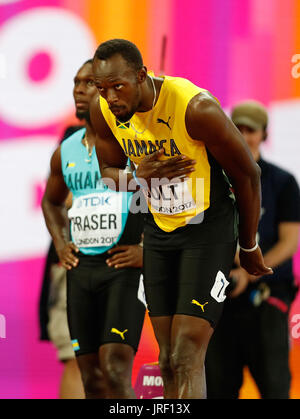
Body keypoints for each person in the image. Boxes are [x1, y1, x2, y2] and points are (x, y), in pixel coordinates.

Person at [88, 39, 272, 399]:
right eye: (101, 88)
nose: (110, 97)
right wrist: (141, 177)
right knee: (168, 358)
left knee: (187, 353)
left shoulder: (195, 108)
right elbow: (108, 173)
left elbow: (248, 174)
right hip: (159, 230)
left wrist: (248, 244)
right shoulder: (104, 112)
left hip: (208, 229)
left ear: (142, 75)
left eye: (118, 86)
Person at [42, 59, 146, 399]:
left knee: (115, 367)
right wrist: (61, 244)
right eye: (76, 83)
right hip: (81, 270)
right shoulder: (66, 150)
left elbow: (166, 197)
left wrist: (148, 249)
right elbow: (51, 202)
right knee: (90, 375)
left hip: (124, 267)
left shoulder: (137, 141)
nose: (79, 90)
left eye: (88, 83)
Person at [205, 100, 300, 399]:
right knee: (218, 385)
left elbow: (289, 241)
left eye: (251, 130)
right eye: (239, 129)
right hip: (221, 296)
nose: (245, 136)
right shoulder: (213, 180)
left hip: (268, 296)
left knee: (274, 385)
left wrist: (252, 269)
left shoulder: (283, 182)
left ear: (264, 134)